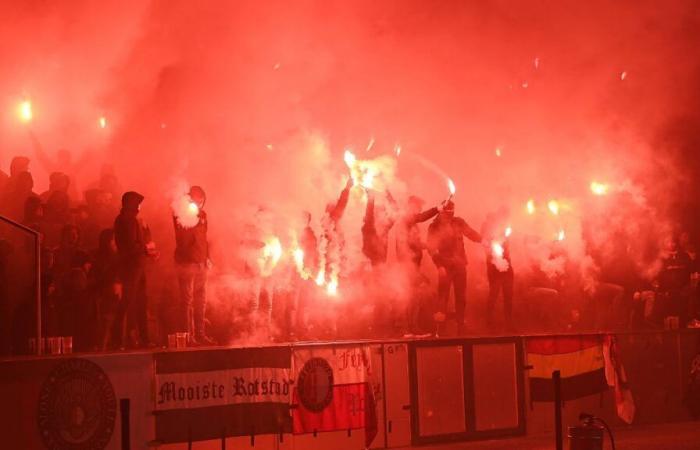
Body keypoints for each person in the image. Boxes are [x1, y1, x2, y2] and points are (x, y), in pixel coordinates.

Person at [427, 200, 482, 335]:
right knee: (443, 297)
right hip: (445, 266)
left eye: (452, 212)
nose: (450, 215)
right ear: (442, 212)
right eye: (448, 212)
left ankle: (460, 324)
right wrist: (439, 266)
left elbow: (471, 233)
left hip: (460, 265)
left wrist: (483, 239)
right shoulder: (434, 227)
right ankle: (441, 328)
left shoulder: (458, 222)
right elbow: (431, 248)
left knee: (461, 297)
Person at [114, 191, 155, 348]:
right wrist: (146, 248)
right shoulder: (127, 220)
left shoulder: (129, 220)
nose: (140, 207)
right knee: (129, 303)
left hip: (136, 266)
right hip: (131, 267)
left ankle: (140, 338)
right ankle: (120, 339)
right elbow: (131, 247)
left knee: (138, 302)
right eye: (138, 203)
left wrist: (147, 248)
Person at [173, 186, 213, 345]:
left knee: (201, 300)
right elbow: (181, 238)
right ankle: (188, 337)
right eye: (196, 199)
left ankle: (201, 335)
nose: (199, 202)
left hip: (201, 262)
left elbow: (204, 238)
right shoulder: (180, 213)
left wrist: (208, 257)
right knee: (187, 301)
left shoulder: (203, 215)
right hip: (187, 262)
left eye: (201, 199)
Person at [481, 208, 515, 331]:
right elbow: (487, 246)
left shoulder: (504, 228)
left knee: (508, 295)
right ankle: (489, 322)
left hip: (507, 264)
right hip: (493, 266)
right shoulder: (486, 228)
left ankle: (509, 322)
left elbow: (506, 245)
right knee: (494, 294)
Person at [91, 229, 123, 350]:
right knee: (106, 322)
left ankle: (114, 347)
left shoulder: (117, 256)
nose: (115, 242)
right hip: (106, 295)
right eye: (113, 240)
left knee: (114, 323)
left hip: (114, 295)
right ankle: (103, 348)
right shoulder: (102, 257)